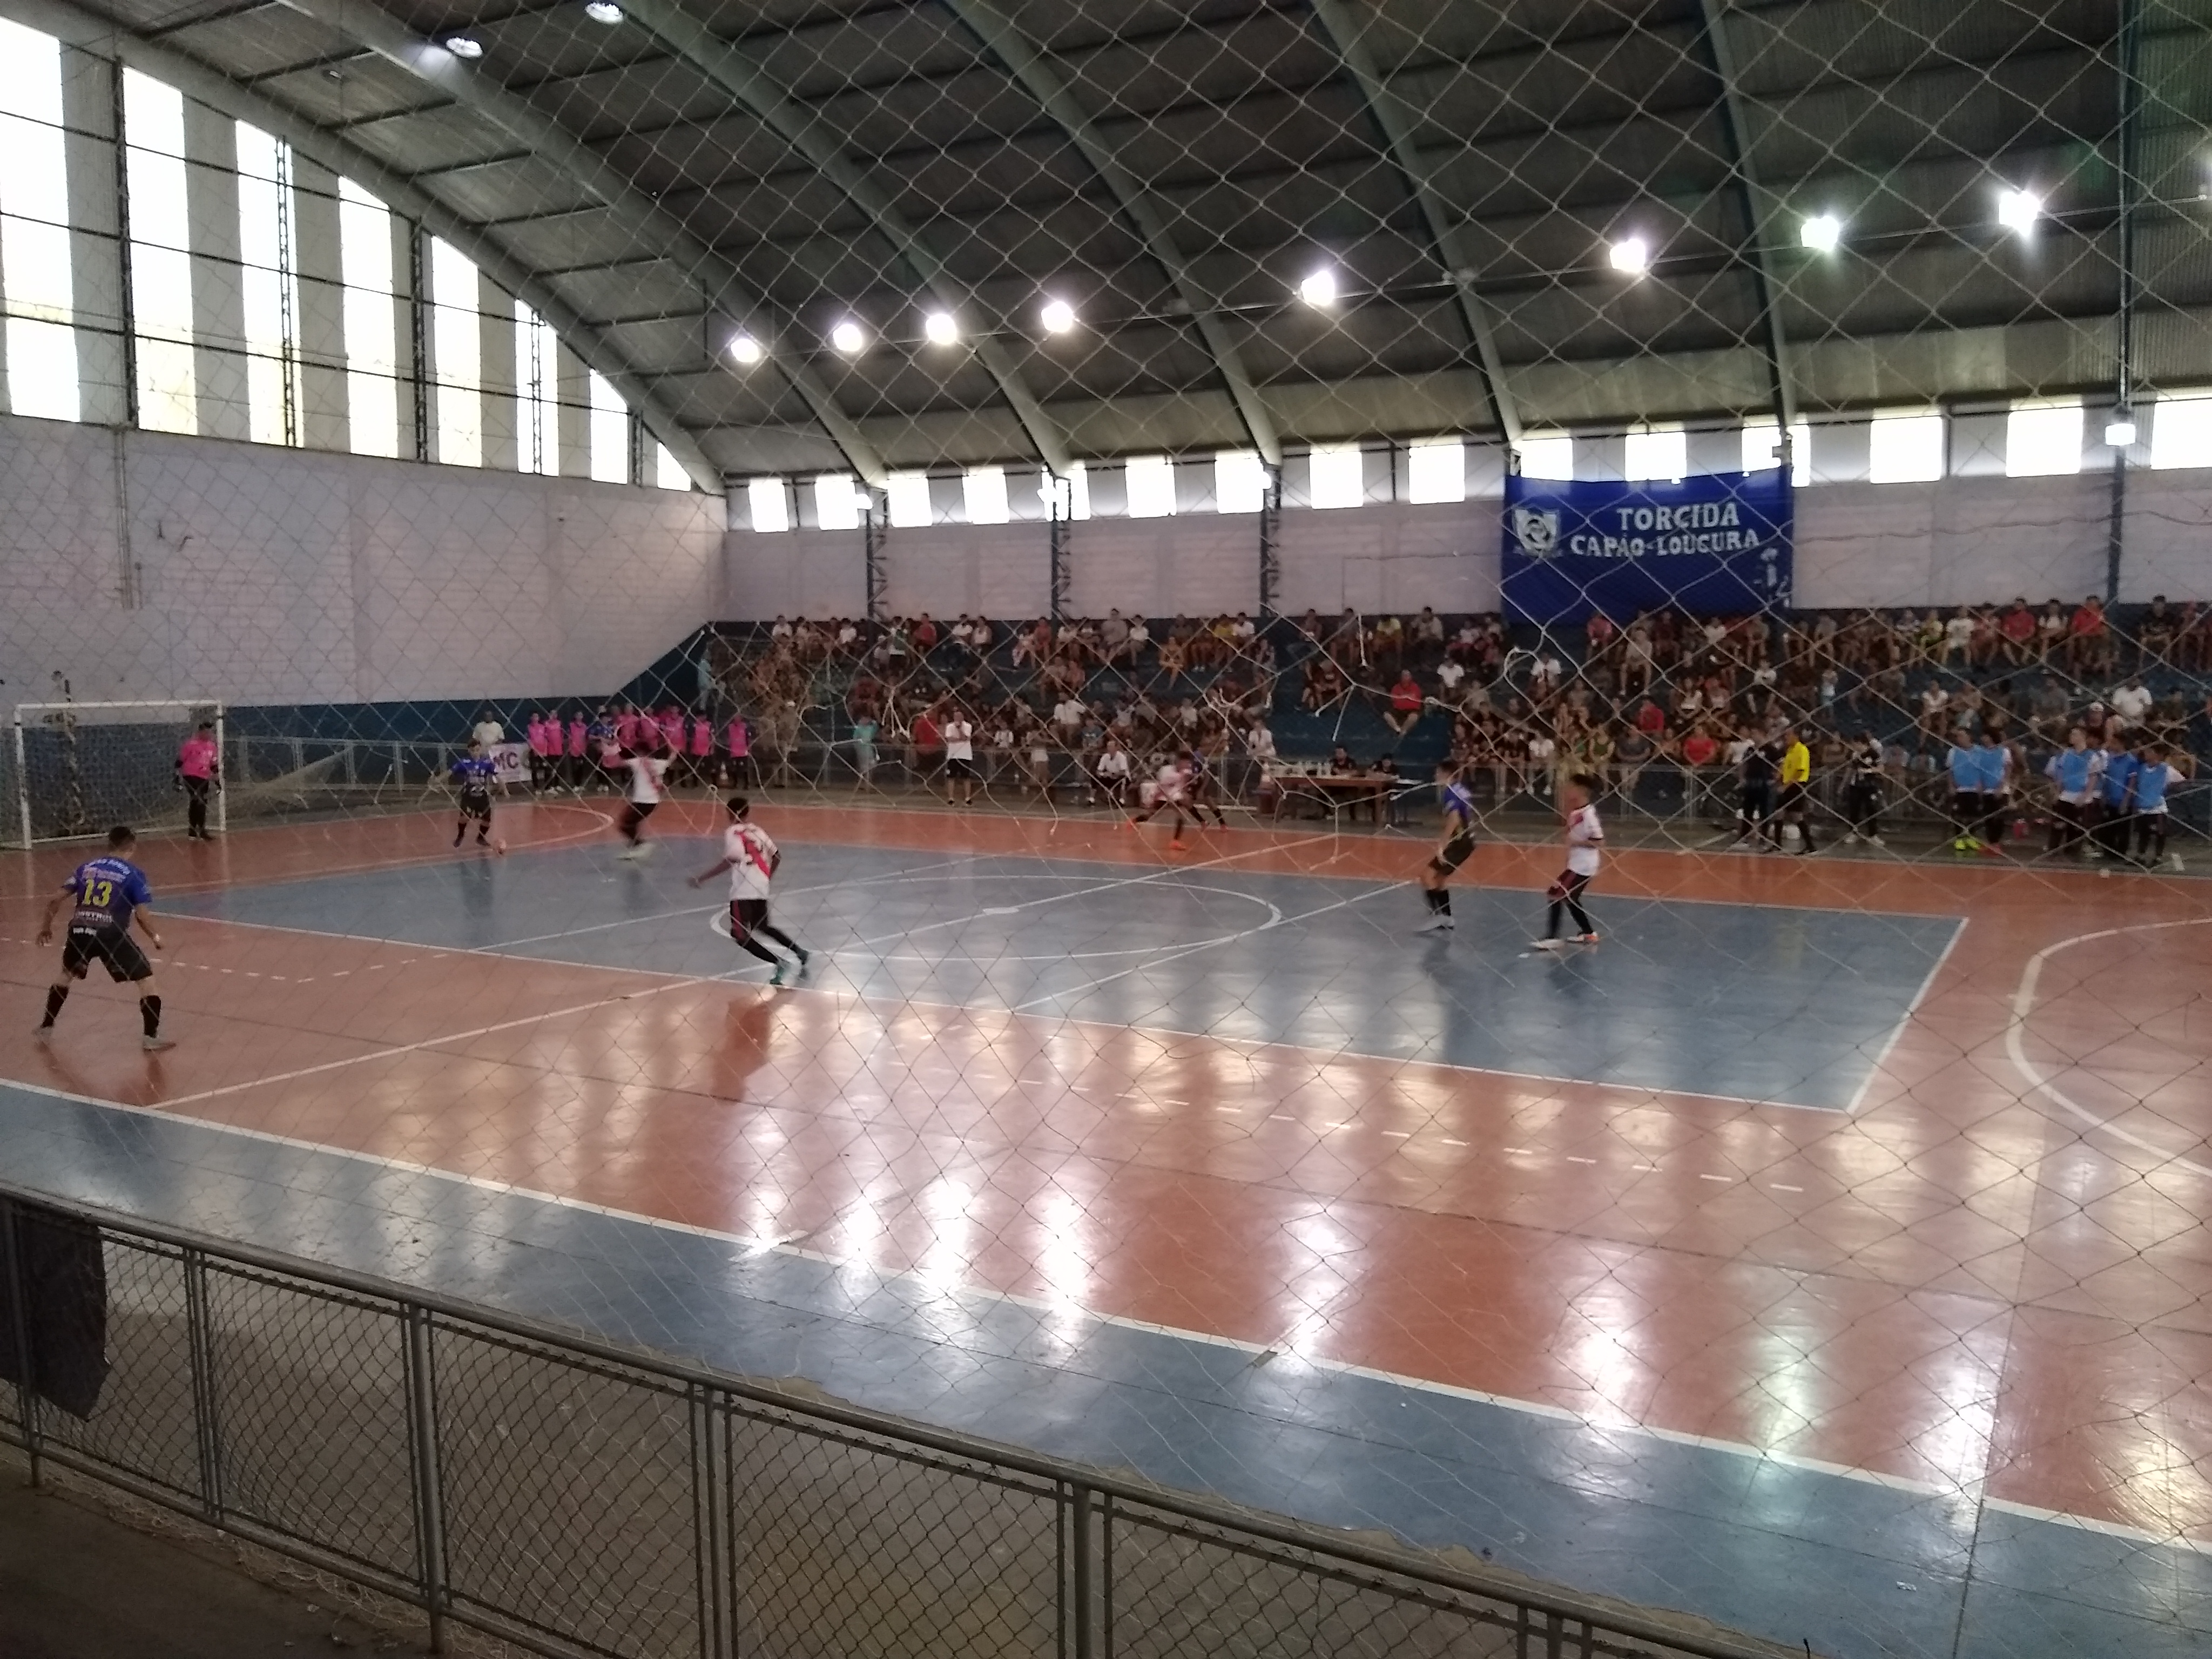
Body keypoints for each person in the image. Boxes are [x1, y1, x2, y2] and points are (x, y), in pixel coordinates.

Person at [33, 825, 172, 1050]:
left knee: (66, 975)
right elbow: (141, 914)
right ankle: (150, 1037)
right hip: (110, 934)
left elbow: (55, 900)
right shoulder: (133, 873)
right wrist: (155, 936)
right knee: (146, 980)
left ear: (109, 845)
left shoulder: (86, 868)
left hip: (80, 930)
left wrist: (46, 927)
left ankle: (46, 1027)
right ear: (132, 846)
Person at [689, 797, 810, 988]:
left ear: (729, 813)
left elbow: (732, 859)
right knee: (762, 926)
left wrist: (702, 878)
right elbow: (777, 855)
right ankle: (799, 951)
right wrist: (766, 878)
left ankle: (780, 964)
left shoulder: (732, 832)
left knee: (739, 934)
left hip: (743, 891)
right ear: (747, 812)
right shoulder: (758, 831)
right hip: (761, 886)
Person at [1532, 773, 1604, 949]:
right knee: (1571, 898)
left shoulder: (1589, 816)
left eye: (1570, 787)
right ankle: (1588, 933)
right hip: (1577, 863)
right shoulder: (1576, 811)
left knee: (1555, 894)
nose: (1565, 790)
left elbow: (1600, 842)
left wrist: (1576, 842)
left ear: (1580, 791)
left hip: (1583, 866)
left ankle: (1552, 937)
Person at [1417, 760, 1478, 933]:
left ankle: (1437, 917)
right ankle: (1447, 918)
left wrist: (1441, 846)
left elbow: (1455, 819)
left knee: (1426, 876)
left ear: (1446, 773)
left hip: (1459, 842)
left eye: (1438, 773)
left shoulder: (1450, 792)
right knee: (1440, 879)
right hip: (1467, 841)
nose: (1436, 776)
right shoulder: (1462, 790)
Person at [2044, 725, 2100, 858]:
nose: (2071, 737)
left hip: (2082, 796)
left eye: (2075, 734)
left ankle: (2073, 852)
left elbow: (2093, 777)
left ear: (2082, 737)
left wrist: (2086, 795)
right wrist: (2057, 792)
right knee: (2058, 824)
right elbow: (2061, 774)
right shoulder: (2066, 753)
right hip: (2066, 794)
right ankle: (2053, 850)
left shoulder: (2092, 756)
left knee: (2077, 827)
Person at [1129, 752, 1197, 850]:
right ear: (1179, 762)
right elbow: (1161, 786)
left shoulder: (1185, 772)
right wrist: (1157, 798)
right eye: (1186, 763)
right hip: (1163, 796)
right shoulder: (1167, 771)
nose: (1188, 765)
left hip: (1174, 797)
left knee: (1181, 817)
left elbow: (1189, 781)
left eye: (1189, 763)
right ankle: (1134, 820)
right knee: (1151, 815)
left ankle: (1175, 841)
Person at [614, 745, 671, 860]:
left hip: (642, 801)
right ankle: (636, 847)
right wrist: (674, 751)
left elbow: (617, 763)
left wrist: (613, 749)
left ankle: (640, 845)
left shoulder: (637, 762)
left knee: (625, 825)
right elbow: (670, 761)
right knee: (630, 824)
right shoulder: (658, 763)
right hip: (653, 801)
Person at [2130, 742, 2180, 869]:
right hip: (2143, 806)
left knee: (2160, 833)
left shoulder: (2164, 769)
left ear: (2157, 755)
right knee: (2143, 833)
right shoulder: (2141, 768)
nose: (2146, 754)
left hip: (2157, 808)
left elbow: (2180, 780)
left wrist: (2165, 789)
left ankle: (2158, 857)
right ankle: (2140, 855)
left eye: (2150, 752)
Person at [2092, 728, 2137, 862]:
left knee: (2123, 828)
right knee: (2106, 827)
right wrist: (2104, 795)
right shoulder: (2109, 758)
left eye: (2114, 742)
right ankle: (2107, 851)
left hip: (2122, 799)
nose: (2111, 745)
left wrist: (2126, 801)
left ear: (2121, 744)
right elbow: (2106, 778)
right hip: (2109, 798)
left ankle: (2120, 853)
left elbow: (2132, 783)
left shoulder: (2131, 761)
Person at [1730, 731, 1780, 850]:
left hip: (1765, 784)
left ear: (1761, 733)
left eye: (1755, 733)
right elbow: (1744, 764)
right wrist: (1742, 778)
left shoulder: (1771, 749)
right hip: (1751, 783)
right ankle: (1744, 837)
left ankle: (1764, 838)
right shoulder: (1750, 749)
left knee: (1764, 812)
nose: (1753, 736)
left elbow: (1780, 764)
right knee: (1748, 811)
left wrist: (1776, 778)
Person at [174, 721, 220, 841]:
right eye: (205, 732)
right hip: (190, 775)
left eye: (210, 732)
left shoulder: (212, 746)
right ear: (200, 732)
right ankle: (202, 831)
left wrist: (217, 779)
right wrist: (176, 778)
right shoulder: (190, 744)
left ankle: (192, 830)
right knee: (199, 799)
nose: (208, 734)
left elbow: (213, 764)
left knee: (196, 802)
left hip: (204, 777)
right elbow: (179, 761)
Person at [1777, 725, 1818, 855]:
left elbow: (1799, 772)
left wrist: (1785, 786)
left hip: (1796, 786)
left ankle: (1811, 846)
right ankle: (1777, 845)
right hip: (1787, 784)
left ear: (1796, 736)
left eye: (1788, 735)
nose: (1786, 738)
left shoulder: (1802, 750)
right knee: (1779, 813)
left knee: (1796, 816)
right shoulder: (1790, 750)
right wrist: (1778, 777)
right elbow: (1785, 768)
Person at [449, 739, 497, 849]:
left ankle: (480, 838)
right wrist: (439, 779)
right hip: (468, 796)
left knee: (487, 821)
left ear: (480, 749)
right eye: (473, 750)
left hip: (482, 796)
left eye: (477, 750)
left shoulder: (487, 763)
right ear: (469, 751)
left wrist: (504, 790)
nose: (475, 752)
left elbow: (497, 775)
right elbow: (451, 771)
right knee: (464, 817)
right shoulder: (464, 762)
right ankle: (460, 836)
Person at [1841, 732, 1886, 846]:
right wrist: (1843, 784)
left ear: (1860, 743)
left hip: (1869, 785)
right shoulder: (1854, 754)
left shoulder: (1873, 754)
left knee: (1871, 809)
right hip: (1855, 785)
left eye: (1854, 743)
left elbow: (1881, 768)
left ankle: (1873, 835)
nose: (1853, 746)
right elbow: (1850, 769)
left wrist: (1869, 771)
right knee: (1854, 809)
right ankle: (1853, 833)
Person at [942, 707, 976, 806]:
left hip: (965, 755)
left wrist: (959, 729)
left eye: (959, 716)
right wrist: (960, 738)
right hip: (953, 755)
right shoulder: (949, 726)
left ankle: (968, 798)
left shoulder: (968, 726)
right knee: (951, 777)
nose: (957, 718)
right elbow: (949, 739)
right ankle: (951, 798)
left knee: (966, 778)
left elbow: (966, 738)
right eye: (956, 716)